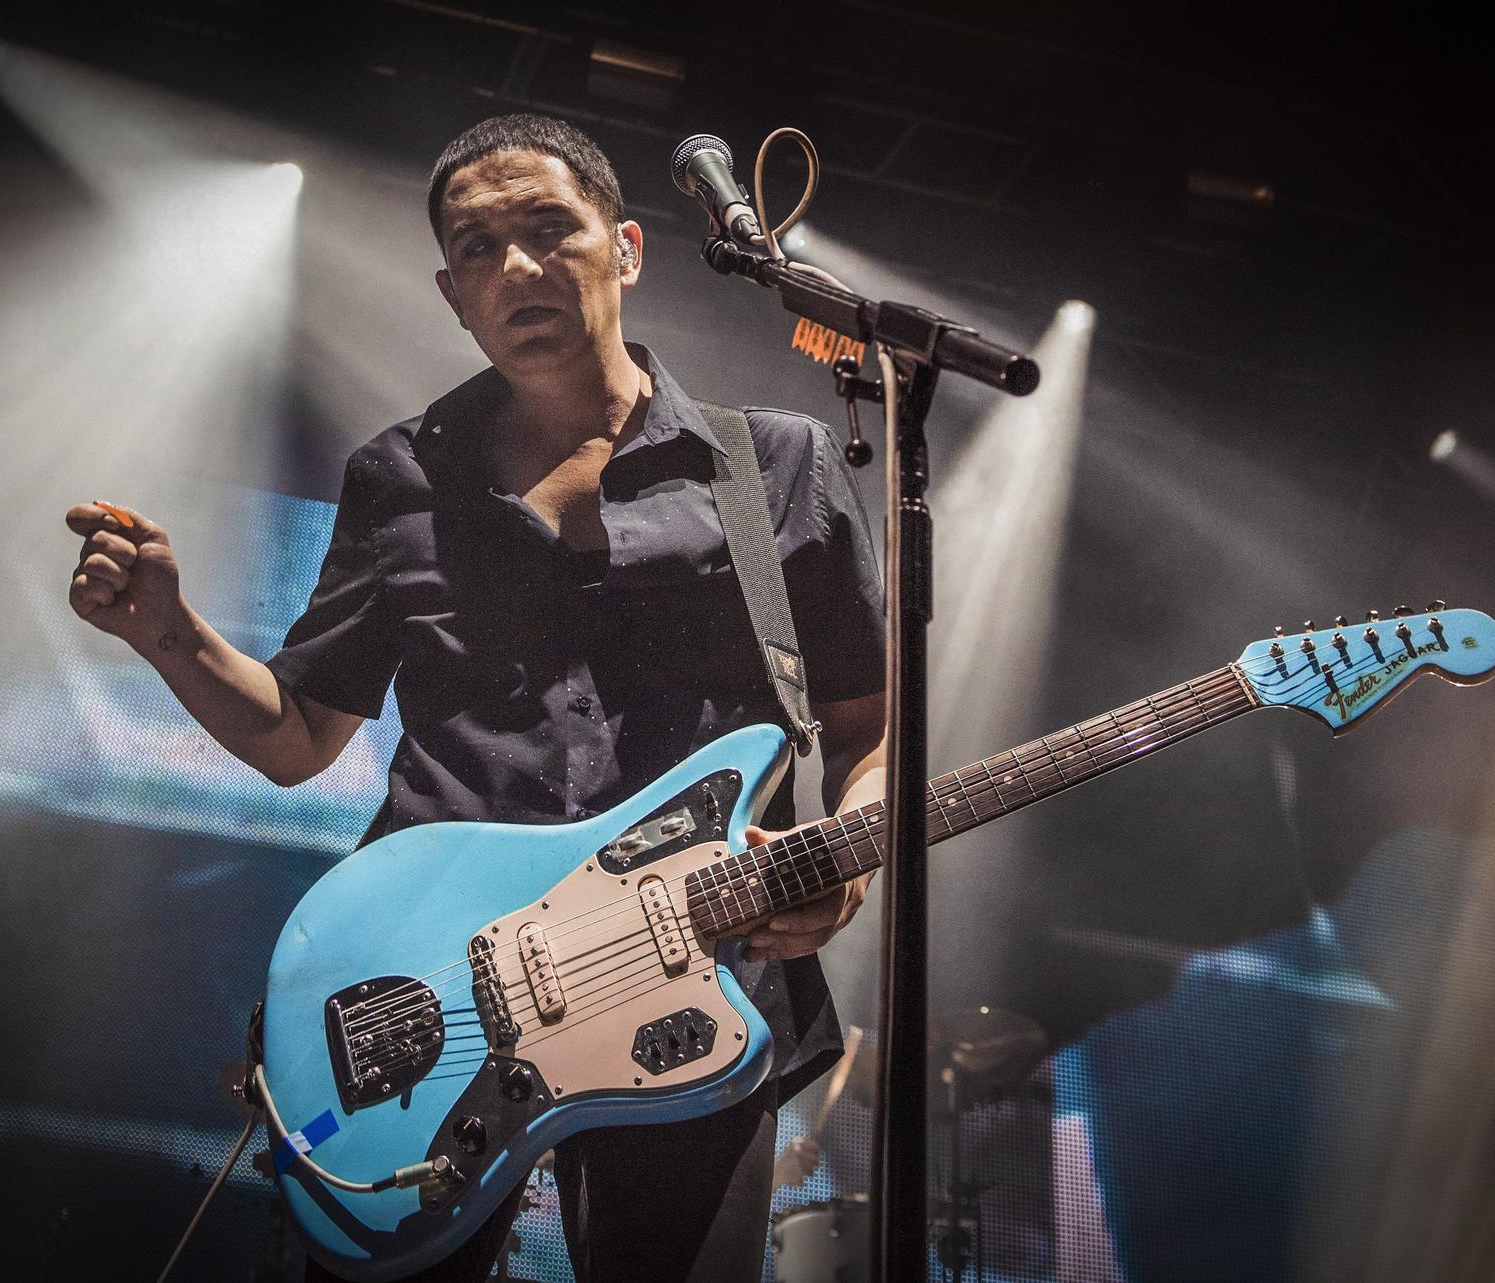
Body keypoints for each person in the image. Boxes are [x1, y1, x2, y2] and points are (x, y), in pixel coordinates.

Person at [64, 113, 887, 1282]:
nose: (517, 266)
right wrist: (164, 630)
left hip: (696, 978)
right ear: (451, 293)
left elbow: (867, 730)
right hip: (438, 985)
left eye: (549, 229)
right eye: (479, 247)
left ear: (629, 248)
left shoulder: (777, 466)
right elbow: (300, 737)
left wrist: (843, 856)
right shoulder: (400, 478)